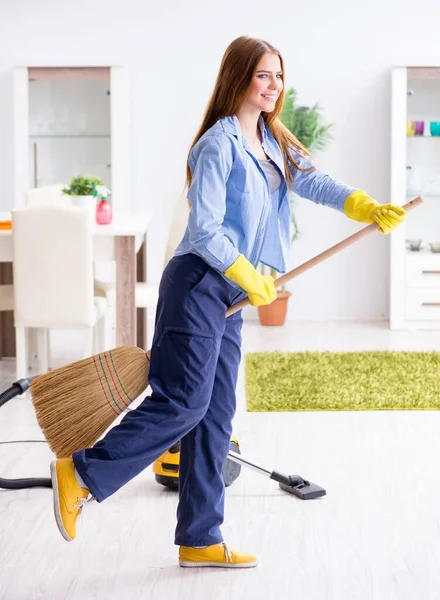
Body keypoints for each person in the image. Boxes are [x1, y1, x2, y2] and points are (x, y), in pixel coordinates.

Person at [50, 35, 406, 568]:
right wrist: (242, 269)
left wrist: (363, 205)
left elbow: (316, 181)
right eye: (264, 75)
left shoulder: (272, 139)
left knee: (216, 414)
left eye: (279, 76)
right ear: (239, 77)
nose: (274, 86)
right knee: (184, 402)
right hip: (198, 284)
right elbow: (206, 230)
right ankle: (81, 473)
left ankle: (200, 536)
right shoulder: (218, 144)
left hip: (231, 294)